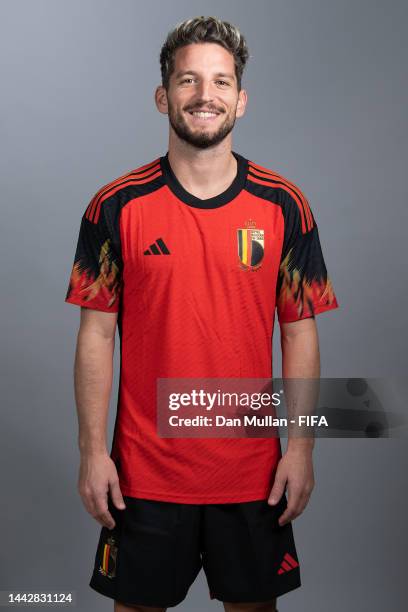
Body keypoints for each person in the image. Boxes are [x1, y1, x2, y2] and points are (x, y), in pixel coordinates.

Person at [65, 15, 339, 612]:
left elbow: (299, 333)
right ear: (163, 96)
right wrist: (92, 451)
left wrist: (301, 448)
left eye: (220, 82)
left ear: (241, 99)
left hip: (253, 475)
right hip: (143, 475)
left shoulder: (285, 205)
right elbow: (96, 334)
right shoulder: (114, 206)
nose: (204, 96)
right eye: (188, 81)